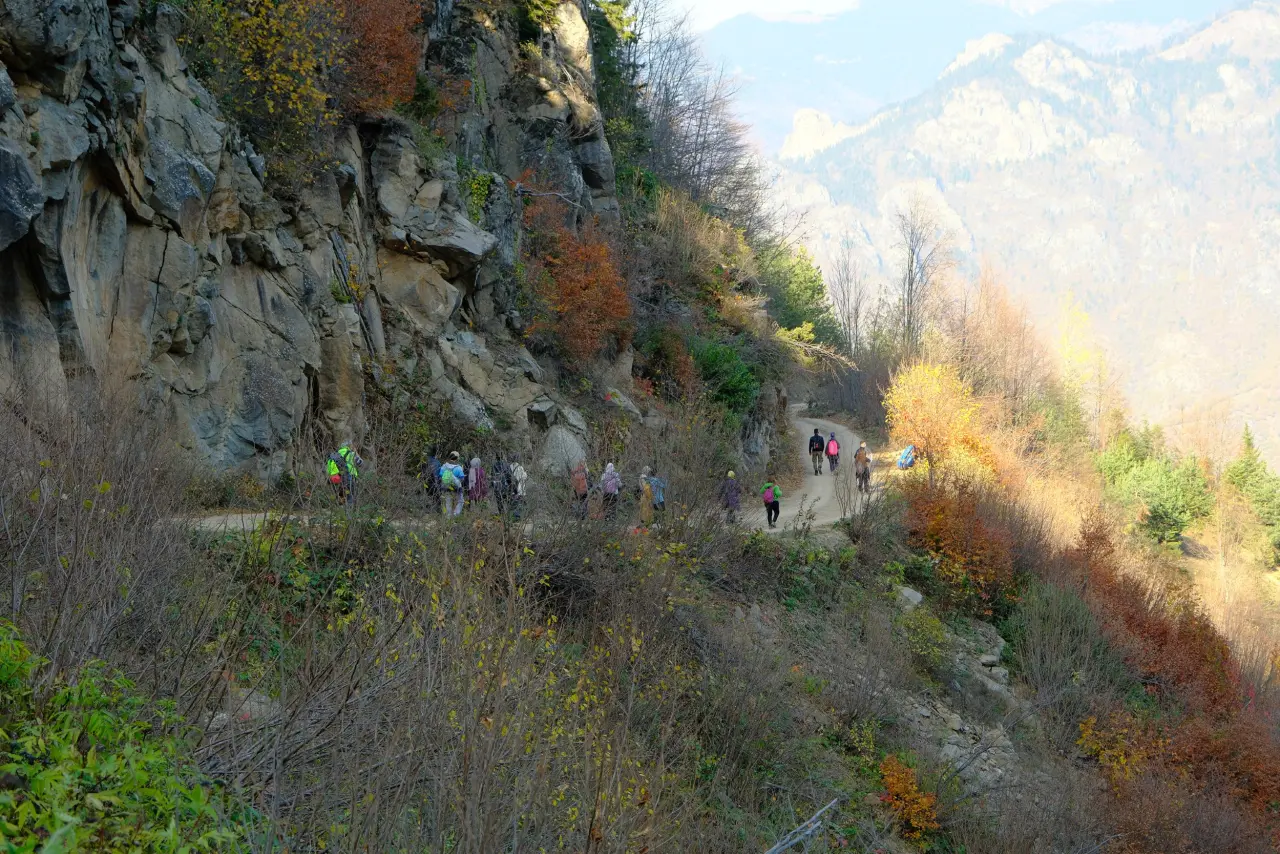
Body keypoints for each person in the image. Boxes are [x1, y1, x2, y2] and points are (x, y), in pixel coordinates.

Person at [326, 443, 363, 508]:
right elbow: (360, 463)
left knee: (342, 493)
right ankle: (351, 510)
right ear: (348, 447)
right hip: (351, 475)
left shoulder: (336, 455)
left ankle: (339, 508)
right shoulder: (351, 454)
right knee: (351, 494)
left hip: (340, 477)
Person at [440, 452, 465, 517]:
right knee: (460, 501)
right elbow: (462, 478)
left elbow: (441, 475)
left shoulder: (444, 466)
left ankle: (448, 517)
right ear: (457, 458)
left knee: (448, 501)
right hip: (456, 488)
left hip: (445, 487)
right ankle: (455, 514)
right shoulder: (458, 467)